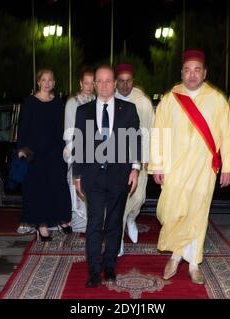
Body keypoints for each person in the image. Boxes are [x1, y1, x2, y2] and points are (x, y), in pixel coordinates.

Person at [148, 49, 230, 284]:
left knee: (197, 214)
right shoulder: (170, 99)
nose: (191, 75)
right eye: (187, 70)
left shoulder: (217, 99)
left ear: (204, 73)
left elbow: (227, 135)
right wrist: (157, 165)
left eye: (197, 70)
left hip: (203, 168)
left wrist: (228, 166)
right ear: (182, 72)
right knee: (171, 212)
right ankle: (177, 253)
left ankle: (191, 262)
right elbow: (159, 134)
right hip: (174, 168)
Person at [72, 65, 141, 287]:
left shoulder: (129, 109)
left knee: (113, 224)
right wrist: (77, 176)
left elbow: (135, 141)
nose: (103, 85)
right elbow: (79, 144)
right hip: (92, 177)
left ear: (114, 83)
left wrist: (135, 169)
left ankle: (109, 266)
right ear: (93, 85)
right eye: (98, 81)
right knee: (94, 224)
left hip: (119, 176)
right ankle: (94, 271)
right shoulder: (83, 111)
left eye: (107, 80)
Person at [16, 69, 72, 241]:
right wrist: (22, 149)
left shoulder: (58, 103)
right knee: (39, 190)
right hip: (36, 153)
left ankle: (61, 219)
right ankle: (42, 226)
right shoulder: (30, 102)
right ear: (38, 82)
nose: (47, 83)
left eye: (50, 80)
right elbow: (23, 127)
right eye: (44, 80)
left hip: (55, 151)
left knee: (58, 186)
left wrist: (65, 147)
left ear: (54, 83)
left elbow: (61, 128)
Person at [114, 63, 154, 256]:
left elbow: (151, 130)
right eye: (120, 81)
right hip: (116, 160)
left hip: (140, 159)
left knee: (138, 198)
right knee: (118, 201)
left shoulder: (143, 101)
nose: (124, 85)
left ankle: (131, 218)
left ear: (133, 81)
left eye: (128, 80)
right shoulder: (108, 99)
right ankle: (118, 238)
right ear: (115, 82)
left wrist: (150, 156)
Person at [64, 67, 95, 232]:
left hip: (96, 151)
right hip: (78, 148)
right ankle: (79, 223)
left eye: (92, 83)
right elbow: (69, 129)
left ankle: (93, 221)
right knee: (78, 185)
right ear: (81, 83)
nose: (89, 86)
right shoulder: (72, 102)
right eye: (86, 83)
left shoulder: (98, 99)